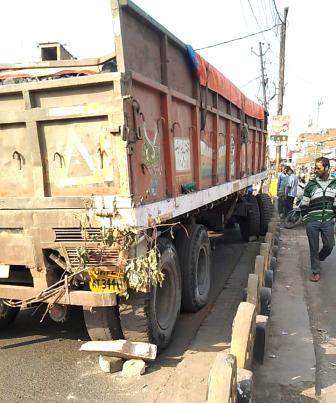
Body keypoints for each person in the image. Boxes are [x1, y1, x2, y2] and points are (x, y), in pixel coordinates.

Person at [301, 157, 336, 282]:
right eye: (315, 168)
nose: (315, 170)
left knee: (329, 245)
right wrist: (306, 220)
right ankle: (315, 271)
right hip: (312, 221)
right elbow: (304, 204)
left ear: (327, 168)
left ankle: (320, 257)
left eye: (318, 168)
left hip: (328, 220)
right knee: (313, 247)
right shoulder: (311, 185)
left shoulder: (335, 183)